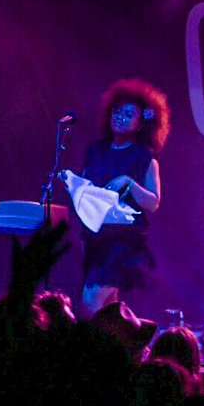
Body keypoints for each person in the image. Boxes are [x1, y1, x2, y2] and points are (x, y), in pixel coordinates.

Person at [79, 78, 169, 315]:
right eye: (117, 111)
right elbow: (85, 186)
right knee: (108, 308)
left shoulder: (144, 157)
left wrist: (128, 183)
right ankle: (118, 348)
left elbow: (153, 203)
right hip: (96, 236)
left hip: (123, 242)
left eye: (128, 114)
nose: (119, 117)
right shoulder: (96, 150)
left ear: (141, 124)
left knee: (91, 297)